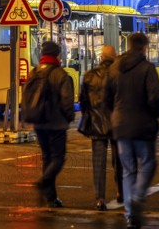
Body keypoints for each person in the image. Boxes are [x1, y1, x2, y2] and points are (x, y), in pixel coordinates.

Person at [105, 32, 159, 229]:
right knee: (148, 164)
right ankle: (138, 196)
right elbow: (155, 98)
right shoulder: (147, 68)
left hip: (120, 126)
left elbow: (106, 97)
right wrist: (154, 115)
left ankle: (130, 214)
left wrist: (115, 114)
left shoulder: (114, 68)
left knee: (128, 170)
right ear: (144, 47)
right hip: (143, 125)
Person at [78, 45, 123, 211]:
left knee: (98, 162)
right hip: (117, 123)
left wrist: (88, 115)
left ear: (101, 58)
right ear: (115, 56)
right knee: (119, 161)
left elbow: (83, 100)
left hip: (97, 123)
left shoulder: (90, 75)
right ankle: (121, 192)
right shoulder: (119, 75)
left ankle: (100, 198)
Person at [33, 41, 75, 208]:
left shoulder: (35, 72)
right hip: (56, 123)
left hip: (39, 122)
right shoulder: (60, 74)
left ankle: (50, 197)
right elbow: (66, 100)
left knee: (47, 158)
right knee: (58, 158)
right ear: (57, 55)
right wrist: (69, 117)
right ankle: (43, 182)